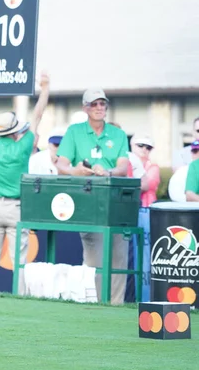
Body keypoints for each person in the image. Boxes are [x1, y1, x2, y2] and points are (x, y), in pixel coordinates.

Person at [56, 88, 130, 305]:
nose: (99, 108)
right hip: (87, 197)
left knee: (119, 255)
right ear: (85, 107)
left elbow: (123, 167)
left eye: (102, 104)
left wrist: (108, 172)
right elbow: (61, 165)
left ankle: (116, 304)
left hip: (114, 197)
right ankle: (93, 302)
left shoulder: (118, 134)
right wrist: (75, 171)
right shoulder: (75, 131)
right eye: (94, 104)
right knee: (93, 255)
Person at [0, 73, 50, 294]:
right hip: (15, 207)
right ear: (15, 131)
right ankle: (19, 296)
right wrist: (45, 89)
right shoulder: (23, 147)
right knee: (18, 258)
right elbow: (37, 116)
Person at [129, 134, 160, 302]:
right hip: (129, 212)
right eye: (140, 145)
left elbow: (146, 185)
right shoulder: (124, 161)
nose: (144, 150)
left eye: (148, 147)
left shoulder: (152, 167)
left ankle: (146, 298)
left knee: (147, 258)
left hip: (147, 214)